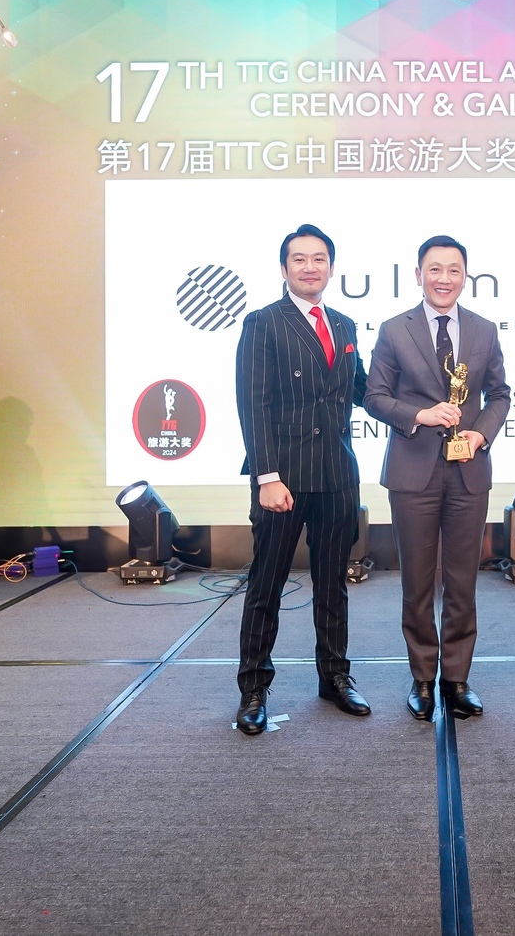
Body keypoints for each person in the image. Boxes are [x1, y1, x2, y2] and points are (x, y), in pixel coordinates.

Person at [364, 236, 510, 721]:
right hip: (413, 471)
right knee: (418, 582)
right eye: (435, 269)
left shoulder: (484, 330)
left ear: (465, 276)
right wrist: (420, 415)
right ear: (418, 275)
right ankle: (423, 679)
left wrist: (481, 434)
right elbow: (374, 397)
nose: (444, 278)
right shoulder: (394, 330)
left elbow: (500, 395)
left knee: (463, 581)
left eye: (453, 270)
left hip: (469, 472)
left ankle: (457, 680)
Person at [234, 224, 369, 735]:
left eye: (319, 259)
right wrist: (266, 476)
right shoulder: (263, 322)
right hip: (283, 478)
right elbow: (253, 404)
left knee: (333, 585)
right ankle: (253, 688)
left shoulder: (345, 325)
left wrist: (418, 400)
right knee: (266, 585)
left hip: (337, 474)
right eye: (299, 259)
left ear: (331, 267)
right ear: (284, 268)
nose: (310, 267)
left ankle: (334, 677)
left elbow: (362, 390)